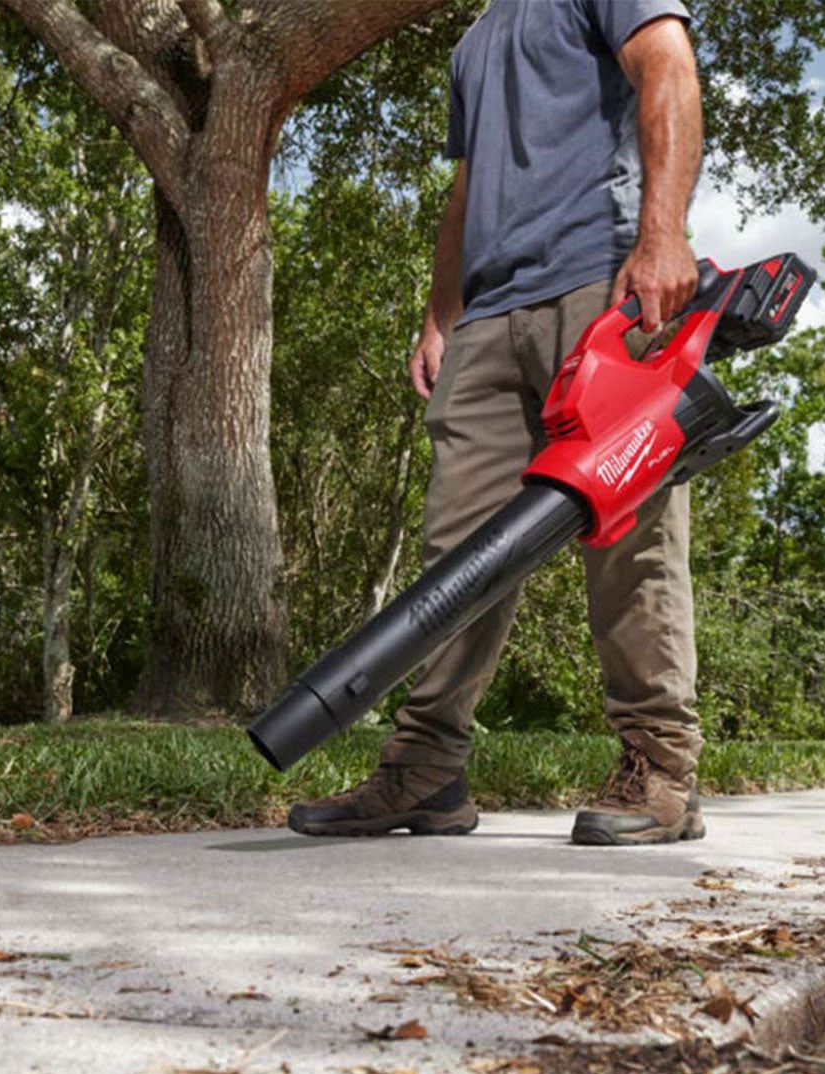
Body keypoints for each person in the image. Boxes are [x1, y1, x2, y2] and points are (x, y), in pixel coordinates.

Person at [287, 0, 705, 846]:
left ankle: (660, 765)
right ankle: (426, 769)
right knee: (458, 553)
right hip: (489, 317)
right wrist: (442, 316)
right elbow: (470, 184)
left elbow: (669, 66)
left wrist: (663, 235)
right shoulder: (475, 39)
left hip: (600, 283)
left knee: (630, 534)